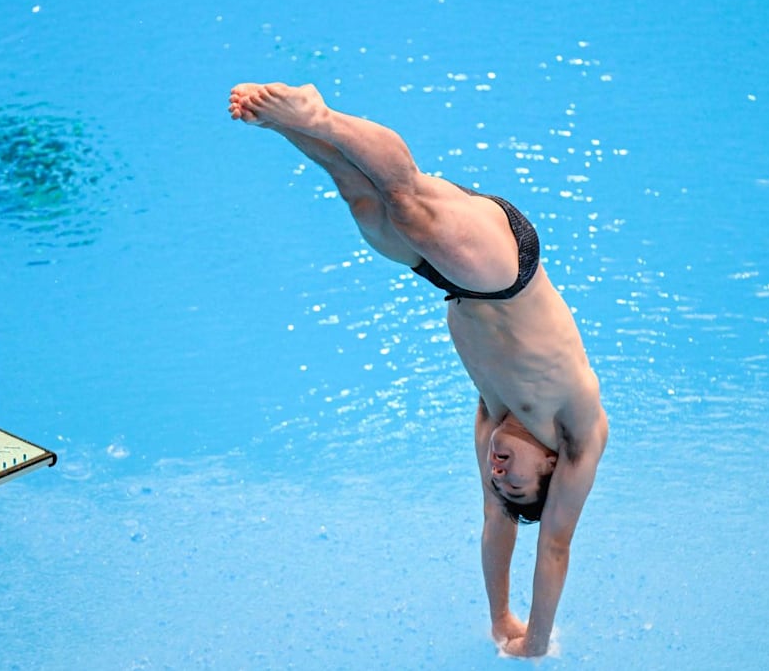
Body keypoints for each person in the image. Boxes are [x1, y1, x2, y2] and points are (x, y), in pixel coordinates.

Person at [228, 82, 609, 657]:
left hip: (452, 281)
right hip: (506, 270)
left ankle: (288, 124)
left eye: (499, 479)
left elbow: (496, 521)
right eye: (515, 479)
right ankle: (316, 113)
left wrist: (499, 619)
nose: (498, 472)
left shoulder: (491, 425)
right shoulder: (578, 434)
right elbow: (553, 545)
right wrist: (534, 641)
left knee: (360, 198)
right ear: (550, 464)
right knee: (406, 202)